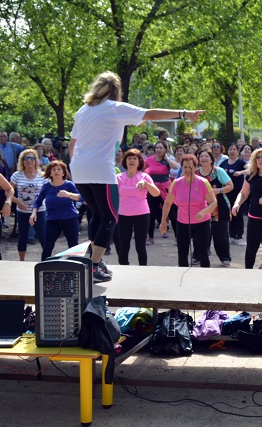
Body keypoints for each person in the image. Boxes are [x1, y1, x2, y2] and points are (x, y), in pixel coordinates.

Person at [68, 71, 204, 282]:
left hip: (78, 169)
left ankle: (95, 260)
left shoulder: (83, 110)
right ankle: (93, 265)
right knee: (110, 217)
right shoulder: (114, 108)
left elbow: (72, 144)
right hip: (100, 170)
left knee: (96, 214)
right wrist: (183, 113)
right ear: (116, 91)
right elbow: (150, 114)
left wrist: (76, 165)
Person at [160, 154, 217, 268]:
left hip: (202, 224)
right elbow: (167, 203)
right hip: (182, 223)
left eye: (190, 167)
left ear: (196, 168)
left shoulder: (203, 182)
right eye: (185, 167)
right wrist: (163, 222)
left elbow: (213, 202)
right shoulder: (176, 183)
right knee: (182, 254)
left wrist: (204, 212)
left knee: (203, 254)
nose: (187, 170)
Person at [30, 161, 81, 262]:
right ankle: (43, 268)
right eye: (54, 170)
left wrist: (68, 194)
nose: (56, 171)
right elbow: (38, 202)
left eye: (59, 169)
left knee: (73, 246)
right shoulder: (46, 186)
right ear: (50, 173)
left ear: (63, 173)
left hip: (70, 219)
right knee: (47, 246)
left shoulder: (69, 185)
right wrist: (33, 213)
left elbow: (81, 198)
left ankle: (76, 268)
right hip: (52, 220)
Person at [115, 149, 159, 266]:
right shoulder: (118, 177)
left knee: (140, 246)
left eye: (135, 158)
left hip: (142, 214)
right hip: (123, 215)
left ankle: (143, 269)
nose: (132, 160)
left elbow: (156, 193)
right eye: (129, 158)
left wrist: (146, 184)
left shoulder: (145, 176)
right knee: (123, 245)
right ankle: (124, 268)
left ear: (139, 162)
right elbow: (112, 196)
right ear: (125, 161)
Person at [197, 149, 233, 267]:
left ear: (211, 159)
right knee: (200, 232)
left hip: (219, 206)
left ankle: (225, 258)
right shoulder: (195, 173)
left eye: (206, 156)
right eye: (201, 156)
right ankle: (198, 255)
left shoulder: (219, 171)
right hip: (200, 207)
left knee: (220, 234)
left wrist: (218, 190)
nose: (203, 158)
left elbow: (230, 186)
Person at [10, 149, 47, 261]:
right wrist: (17, 201)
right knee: (22, 236)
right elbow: (8, 191)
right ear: (22, 161)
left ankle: (46, 260)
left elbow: (47, 192)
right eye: (26, 158)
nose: (29, 161)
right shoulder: (17, 175)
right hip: (23, 211)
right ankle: (22, 261)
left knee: (42, 236)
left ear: (36, 161)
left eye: (32, 158)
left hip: (40, 210)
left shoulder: (42, 175)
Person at [145, 141, 179, 244]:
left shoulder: (168, 160)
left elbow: (176, 167)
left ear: (165, 150)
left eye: (161, 148)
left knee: (172, 214)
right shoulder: (150, 160)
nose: (158, 150)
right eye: (157, 148)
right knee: (151, 213)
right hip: (153, 189)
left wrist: (167, 158)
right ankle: (150, 237)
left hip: (166, 189)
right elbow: (141, 168)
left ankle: (178, 237)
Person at [222, 143, 249, 245]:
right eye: (230, 149)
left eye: (234, 149)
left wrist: (241, 172)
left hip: (238, 192)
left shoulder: (241, 162)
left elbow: (249, 168)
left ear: (237, 152)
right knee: (229, 214)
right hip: (227, 192)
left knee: (238, 213)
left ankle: (239, 236)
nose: (232, 151)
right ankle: (231, 235)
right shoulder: (224, 163)